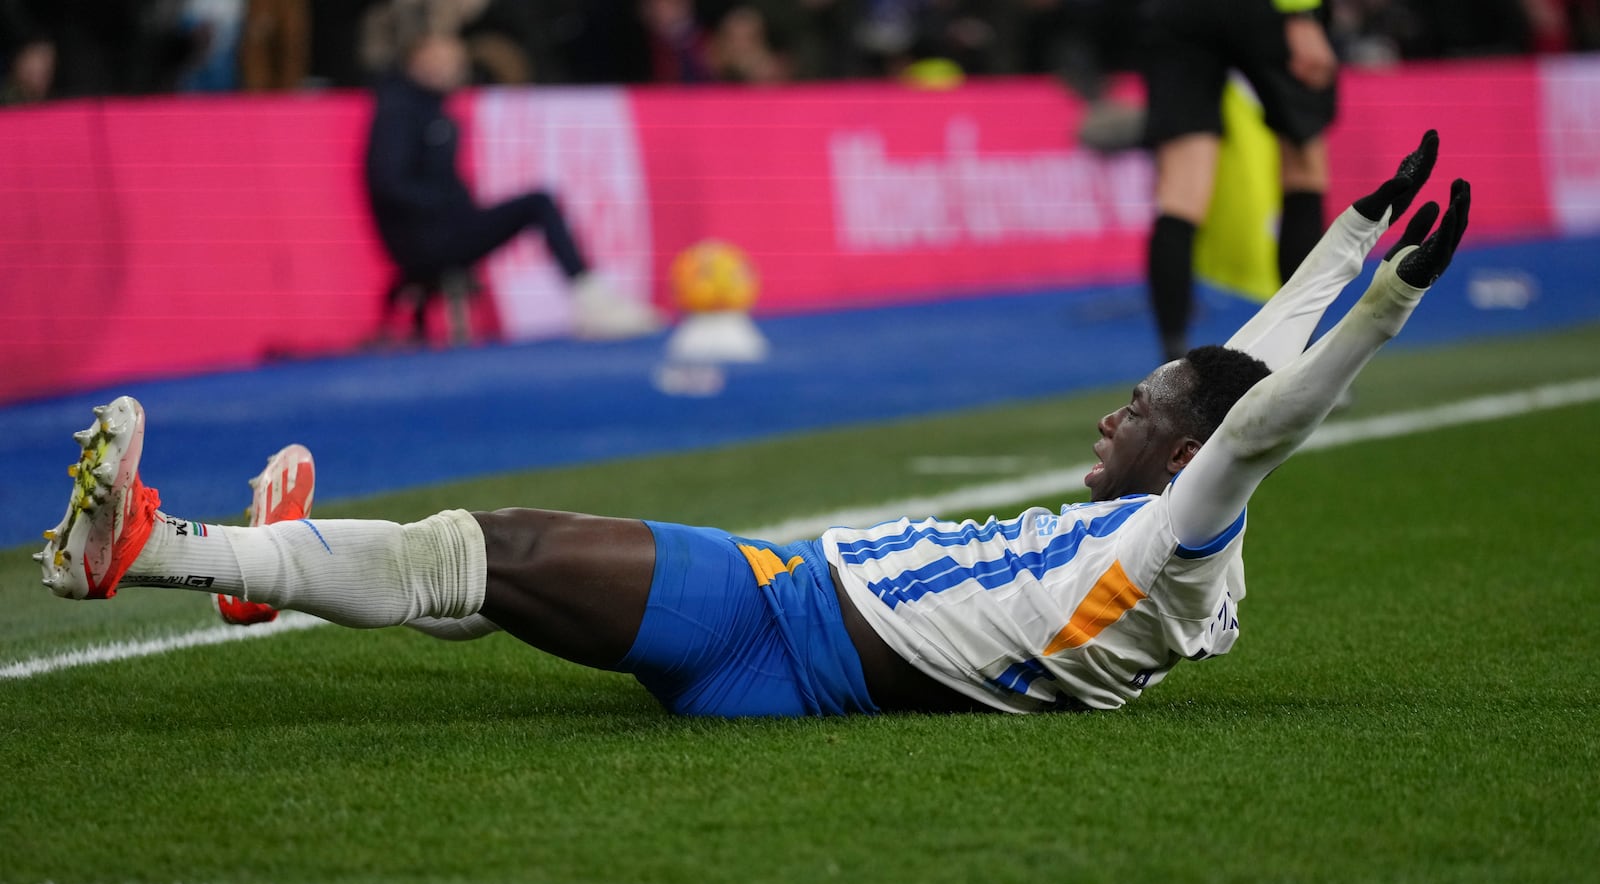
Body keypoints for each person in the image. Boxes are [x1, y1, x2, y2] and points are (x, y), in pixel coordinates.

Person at [37, 135, 1468, 717]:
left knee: (501, 544)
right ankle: (270, 567)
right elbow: (1244, 368)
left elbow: (1261, 418)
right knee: (498, 587)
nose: (1117, 409)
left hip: (788, 628)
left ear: (1178, 456)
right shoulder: (1169, 526)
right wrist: (1349, 235)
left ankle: (154, 547)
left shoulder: (1176, 541)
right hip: (797, 610)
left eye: (1139, 409)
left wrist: (1390, 296)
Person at [365, 30, 664, 341]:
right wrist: (447, 208)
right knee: (539, 203)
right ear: (416, 61)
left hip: (446, 227)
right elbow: (389, 182)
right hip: (427, 239)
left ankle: (591, 295)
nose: (452, 67)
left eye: (456, 60)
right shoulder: (398, 110)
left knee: (540, 202)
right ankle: (591, 299)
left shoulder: (430, 107)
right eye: (442, 59)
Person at [1144, 0, 1340, 363]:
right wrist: (1302, 15)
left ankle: (1171, 366)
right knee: (1303, 169)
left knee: (1179, 192)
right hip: (1264, 10)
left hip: (1176, 13)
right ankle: (1301, 354)